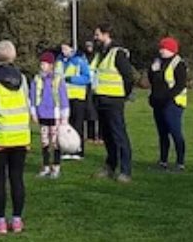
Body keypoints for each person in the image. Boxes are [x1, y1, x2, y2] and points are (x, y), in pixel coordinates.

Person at [0, 40, 30, 235]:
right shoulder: (24, 79)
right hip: (20, 135)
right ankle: (17, 220)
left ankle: (0, 221)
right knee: (17, 178)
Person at [92, 23, 135, 183]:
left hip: (114, 100)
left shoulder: (118, 53)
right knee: (107, 136)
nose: (95, 37)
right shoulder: (100, 54)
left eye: (97, 34)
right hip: (100, 99)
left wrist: (124, 95)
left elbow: (128, 77)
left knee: (119, 135)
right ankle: (110, 166)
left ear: (106, 34)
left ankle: (125, 171)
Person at [147, 37, 187, 172]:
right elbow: (153, 81)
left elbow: (180, 85)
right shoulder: (157, 62)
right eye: (160, 48)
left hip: (173, 103)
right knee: (162, 133)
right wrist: (152, 71)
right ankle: (163, 161)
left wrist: (167, 97)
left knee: (176, 132)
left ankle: (180, 162)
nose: (161, 51)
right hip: (158, 102)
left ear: (171, 50)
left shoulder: (178, 64)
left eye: (164, 48)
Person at [30, 51, 69, 179]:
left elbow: (63, 97)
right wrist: (33, 112)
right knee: (44, 142)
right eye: (41, 63)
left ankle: (56, 167)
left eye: (45, 64)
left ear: (51, 65)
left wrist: (65, 115)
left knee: (55, 142)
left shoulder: (58, 79)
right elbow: (32, 96)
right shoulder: (36, 79)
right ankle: (46, 167)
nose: (42, 66)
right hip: (42, 114)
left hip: (55, 114)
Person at [55, 42, 90, 160]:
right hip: (63, 97)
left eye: (66, 48)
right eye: (62, 48)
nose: (63, 50)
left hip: (78, 97)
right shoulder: (59, 61)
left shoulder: (80, 60)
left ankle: (78, 150)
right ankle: (66, 149)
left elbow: (87, 78)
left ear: (72, 48)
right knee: (65, 125)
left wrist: (71, 79)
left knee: (78, 124)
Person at [82, 40, 102, 145]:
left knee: (99, 112)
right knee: (89, 111)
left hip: (97, 86)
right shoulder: (83, 57)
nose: (89, 47)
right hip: (87, 86)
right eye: (87, 45)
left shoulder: (98, 56)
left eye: (90, 45)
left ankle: (100, 136)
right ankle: (90, 135)